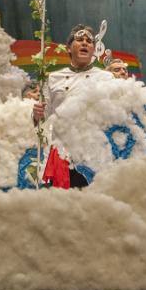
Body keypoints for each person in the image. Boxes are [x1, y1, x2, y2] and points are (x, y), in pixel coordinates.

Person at [32, 24, 113, 188]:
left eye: (89, 41)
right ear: (69, 48)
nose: (85, 43)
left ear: (94, 49)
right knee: (60, 206)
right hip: (62, 153)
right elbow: (43, 119)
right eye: (79, 40)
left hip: (94, 154)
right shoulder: (53, 78)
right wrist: (36, 114)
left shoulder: (107, 78)